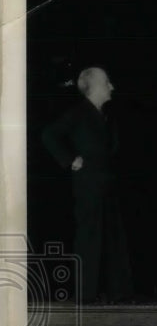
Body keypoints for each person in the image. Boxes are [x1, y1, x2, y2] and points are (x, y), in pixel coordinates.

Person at [41, 66, 134, 304]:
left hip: (109, 186)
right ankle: (86, 294)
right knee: (90, 237)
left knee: (115, 238)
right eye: (107, 82)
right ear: (92, 87)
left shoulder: (108, 116)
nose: (111, 86)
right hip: (89, 186)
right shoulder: (78, 113)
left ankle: (119, 293)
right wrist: (70, 159)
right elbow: (49, 134)